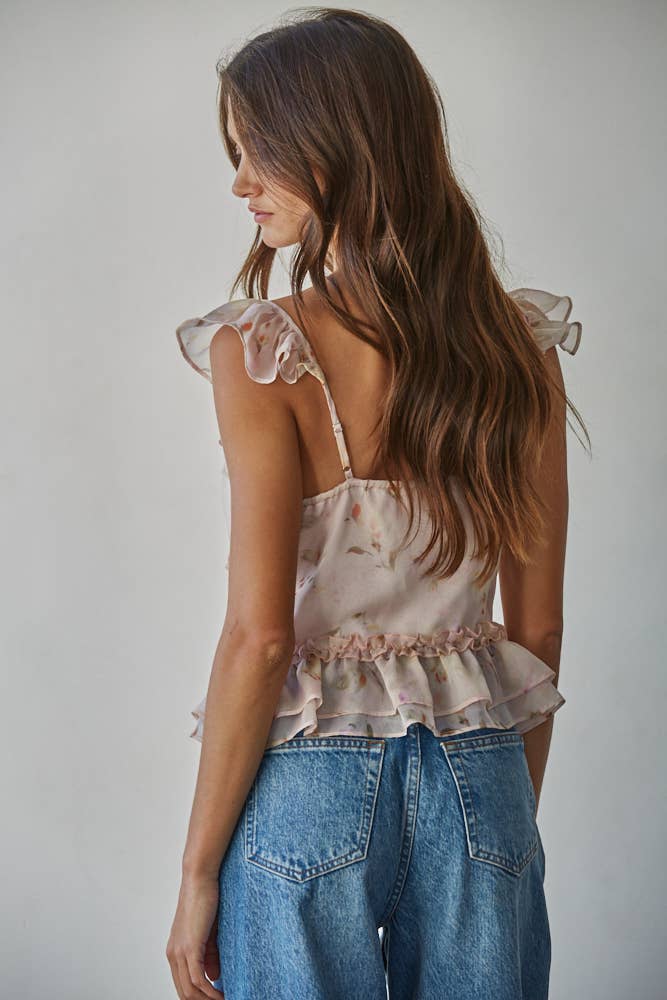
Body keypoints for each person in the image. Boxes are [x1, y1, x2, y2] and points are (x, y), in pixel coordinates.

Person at [166, 8, 590, 999]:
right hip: (484, 771)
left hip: (310, 782)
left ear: (337, 142)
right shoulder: (515, 349)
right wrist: (495, 813)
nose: (239, 183)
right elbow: (538, 626)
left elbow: (260, 639)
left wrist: (194, 878)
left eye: (255, 151)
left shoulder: (265, 351)